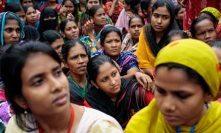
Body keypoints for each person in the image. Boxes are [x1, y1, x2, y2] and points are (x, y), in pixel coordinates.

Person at [0, 41, 123, 132]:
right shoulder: (18, 126)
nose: (57, 85)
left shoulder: (100, 128)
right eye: (38, 81)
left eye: (57, 73)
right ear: (21, 99)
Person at [125, 39, 221, 132]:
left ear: (209, 94)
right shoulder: (141, 126)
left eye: (182, 95)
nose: (167, 105)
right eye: (161, 91)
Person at [86, 55, 153, 127]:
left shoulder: (136, 90)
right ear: (94, 84)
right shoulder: (91, 103)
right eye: (105, 79)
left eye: (114, 74)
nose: (113, 82)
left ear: (118, 70)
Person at [135, 0, 177, 76]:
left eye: (165, 17)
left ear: (171, 19)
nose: (159, 21)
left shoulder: (176, 37)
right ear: (151, 15)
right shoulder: (145, 31)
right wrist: (154, 74)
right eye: (156, 16)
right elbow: (141, 59)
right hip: (148, 75)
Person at [62, 39, 91, 106]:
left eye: (83, 56)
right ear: (65, 63)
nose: (81, 61)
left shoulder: (96, 81)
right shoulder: (63, 88)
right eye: (74, 57)